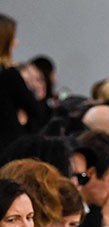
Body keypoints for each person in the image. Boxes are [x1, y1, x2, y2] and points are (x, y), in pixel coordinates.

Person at [0, 13, 42, 150]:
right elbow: (36, 111)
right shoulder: (8, 76)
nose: (16, 43)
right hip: (8, 148)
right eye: (12, 38)